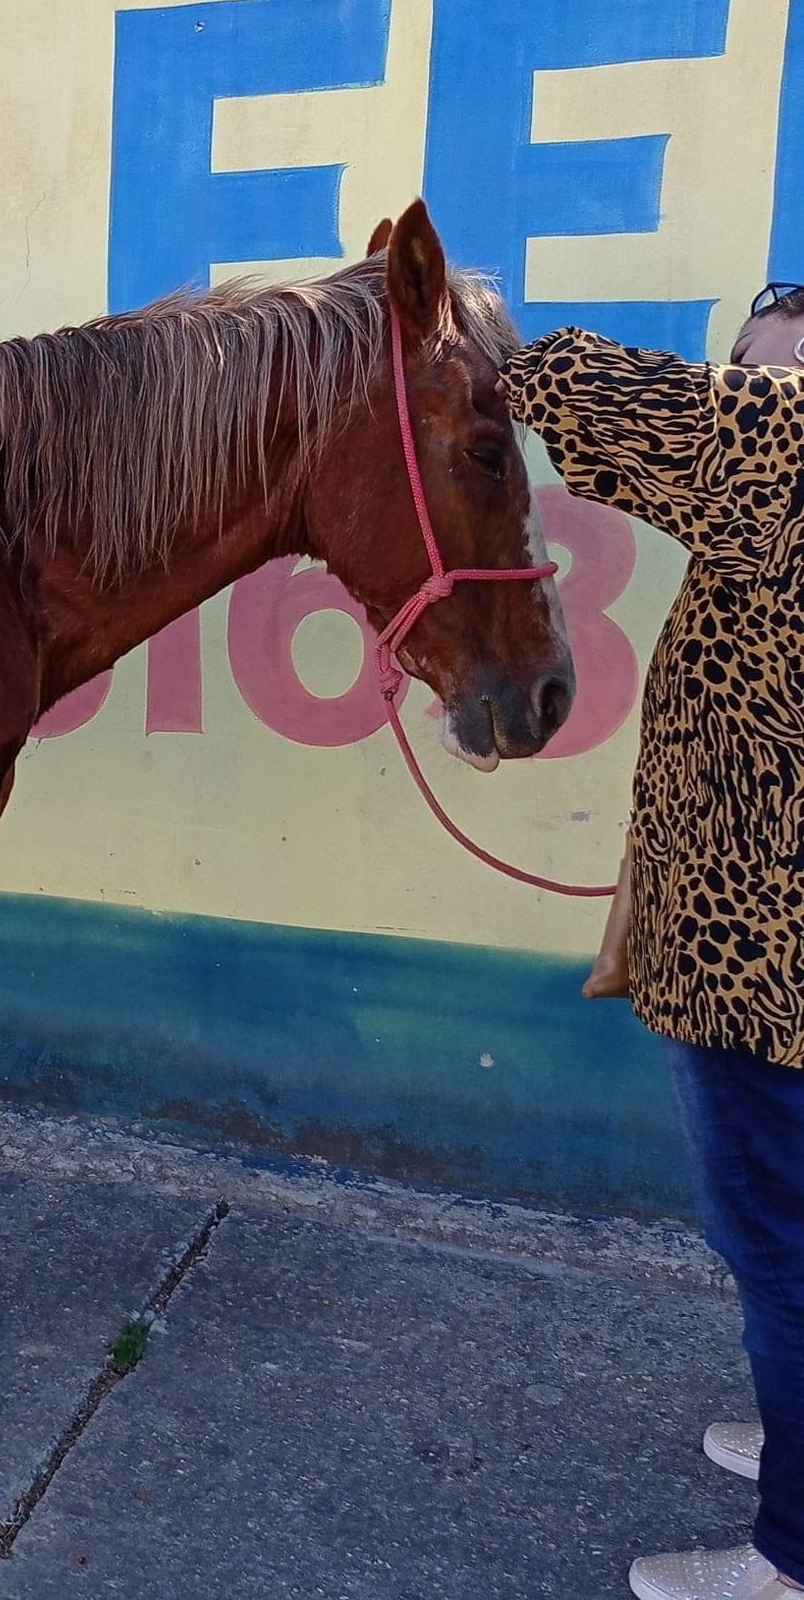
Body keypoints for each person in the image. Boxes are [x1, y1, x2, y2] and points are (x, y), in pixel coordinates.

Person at [504, 280, 804, 1600]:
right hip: (752, 940)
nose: (745, 391)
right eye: (740, 371)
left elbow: (590, 390)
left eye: (769, 376)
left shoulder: (785, 444)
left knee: (777, 1238)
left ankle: (790, 1553)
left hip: (768, 964)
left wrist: (473, 343)